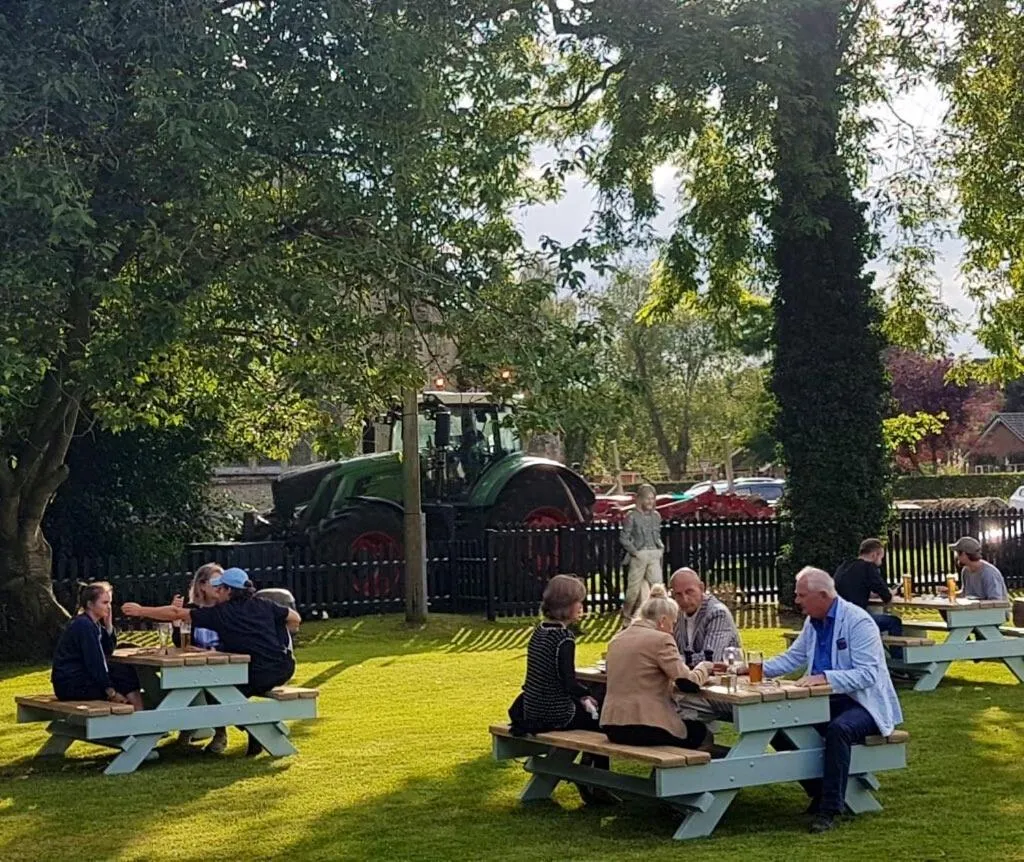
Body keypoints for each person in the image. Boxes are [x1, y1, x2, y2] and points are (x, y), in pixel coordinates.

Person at [760, 567, 903, 834]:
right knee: (774, 725)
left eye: (802, 595)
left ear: (823, 595)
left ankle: (829, 809)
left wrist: (825, 677)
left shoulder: (859, 622)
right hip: (826, 701)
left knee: (839, 729)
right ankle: (819, 789)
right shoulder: (812, 621)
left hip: (864, 705)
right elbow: (793, 657)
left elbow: (868, 674)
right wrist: (754, 668)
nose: (797, 601)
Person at [122, 567, 301, 756]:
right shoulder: (264, 604)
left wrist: (140, 610)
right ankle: (255, 729)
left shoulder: (221, 613)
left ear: (229, 591)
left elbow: (176, 613)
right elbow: (294, 618)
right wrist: (280, 636)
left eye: (220, 588)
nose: (217, 591)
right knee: (221, 692)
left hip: (257, 672)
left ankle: (258, 728)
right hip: (284, 667)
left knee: (213, 692)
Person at [507, 575, 613, 805]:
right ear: (567, 605)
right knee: (603, 722)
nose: (582, 607)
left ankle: (591, 778)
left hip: (532, 707)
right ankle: (597, 781)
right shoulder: (564, 638)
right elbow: (569, 683)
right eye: (579, 602)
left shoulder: (539, 631)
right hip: (555, 711)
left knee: (594, 712)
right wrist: (587, 695)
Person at [600, 585, 716, 750]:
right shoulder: (661, 640)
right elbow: (688, 682)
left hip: (612, 725)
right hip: (646, 725)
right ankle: (691, 775)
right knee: (701, 733)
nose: (673, 629)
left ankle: (663, 775)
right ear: (662, 621)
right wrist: (705, 666)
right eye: (673, 623)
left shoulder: (616, 640)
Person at [52, 582, 144, 712]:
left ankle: (137, 713)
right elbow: (95, 662)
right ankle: (139, 715)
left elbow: (107, 651)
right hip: (71, 685)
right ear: (90, 604)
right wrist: (110, 692)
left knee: (121, 671)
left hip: (74, 681)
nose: (109, 607)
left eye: (110, 603)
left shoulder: (91, 623)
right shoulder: (84, 626)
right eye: (105, 603)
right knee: (123, 673)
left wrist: (109, 626)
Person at [175, 563, 228, 753]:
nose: (220, 587)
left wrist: (214, 651)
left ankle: (220, 733)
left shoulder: (226, 609)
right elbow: (179, 643)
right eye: (216, 582)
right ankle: (188, 727)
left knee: (211, 684)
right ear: (202, 585)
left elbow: (233, 640)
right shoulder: (190, 609)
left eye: (223, 582)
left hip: (222, 661)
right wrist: (176, 622)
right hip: (194, 662)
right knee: (175, 682)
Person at [834, 539, 903, 659]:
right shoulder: (868, 567)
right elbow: (886, 596)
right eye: (881, 557)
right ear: (874, 555)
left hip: (838, 619)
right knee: (894, 622)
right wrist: (892, 592)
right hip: (855, 621)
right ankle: (898, 660)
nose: (881, 562)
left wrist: (871, 594)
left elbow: (854, 587)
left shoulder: (845, 565)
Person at [668, 567, 741, 662]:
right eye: (678, 594)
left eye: (689, 592)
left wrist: (670, 661)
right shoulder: (676, 613)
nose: (684, 599)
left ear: (702, 588)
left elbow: (710, 658)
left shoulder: (717, 613)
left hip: (723, 675)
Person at [619, 483, 664, 624]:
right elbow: (623, 538)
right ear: (640, 499)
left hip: (654, 554)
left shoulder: (656, 516)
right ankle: (626, 617)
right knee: (633, 591)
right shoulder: (631, 516)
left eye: (652, 498)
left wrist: (660, 549)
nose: (650, 502)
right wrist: (635, 552)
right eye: (647, 498)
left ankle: (658, 616)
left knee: (658, 587)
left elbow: (657, 535)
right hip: (639, 555)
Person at [949, 537, 1009, 602]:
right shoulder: (966, 571)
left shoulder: (989, 573)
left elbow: (996, 601)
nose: (956, 557)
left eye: (957, 553)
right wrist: (948, 593)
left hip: (993, 611)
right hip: (974, 610)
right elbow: (965, 593)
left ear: (964, 554)